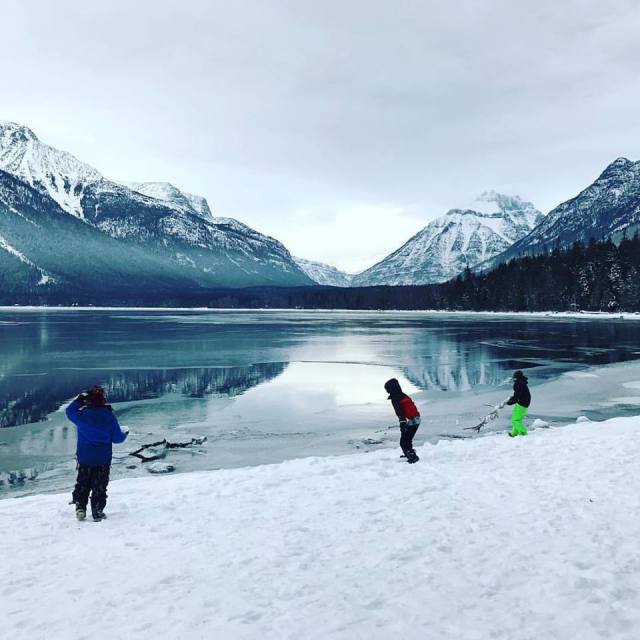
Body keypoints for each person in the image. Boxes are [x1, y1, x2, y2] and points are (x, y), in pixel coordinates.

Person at [65, 386, 128, 522]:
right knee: (99, 485)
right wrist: (125, 434)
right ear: (103, 400)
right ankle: (97, 511)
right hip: (102, 458)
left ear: (89, 401)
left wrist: (79, 400)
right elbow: (117, 438)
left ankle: (80, 507)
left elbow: (69, 411)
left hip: (85, 457)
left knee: (83, 482)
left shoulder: (82, 416)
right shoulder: (109, 417)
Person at [384, 378, 421, 463]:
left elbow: (400, 412)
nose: (386, 391)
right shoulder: (402, 395)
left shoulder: (395, 398)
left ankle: (412, 456)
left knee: (404, 441)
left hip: (411, 420)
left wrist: (402, 423)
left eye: (387, 388)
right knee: (407, 438)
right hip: (417, 419)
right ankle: (409, 453)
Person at [506, 370, 531, 437]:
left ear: (516, 377)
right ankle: (514, 433)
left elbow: (517, 395)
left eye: (514, 377)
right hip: (524, 402)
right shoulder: (522, 382)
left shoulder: (518, 384)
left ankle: (523, 432)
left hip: (522, 402)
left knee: (515, 420)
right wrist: (513, 399)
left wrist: (511, 402)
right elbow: (518, 394)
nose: (513, 378)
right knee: (517, 419)